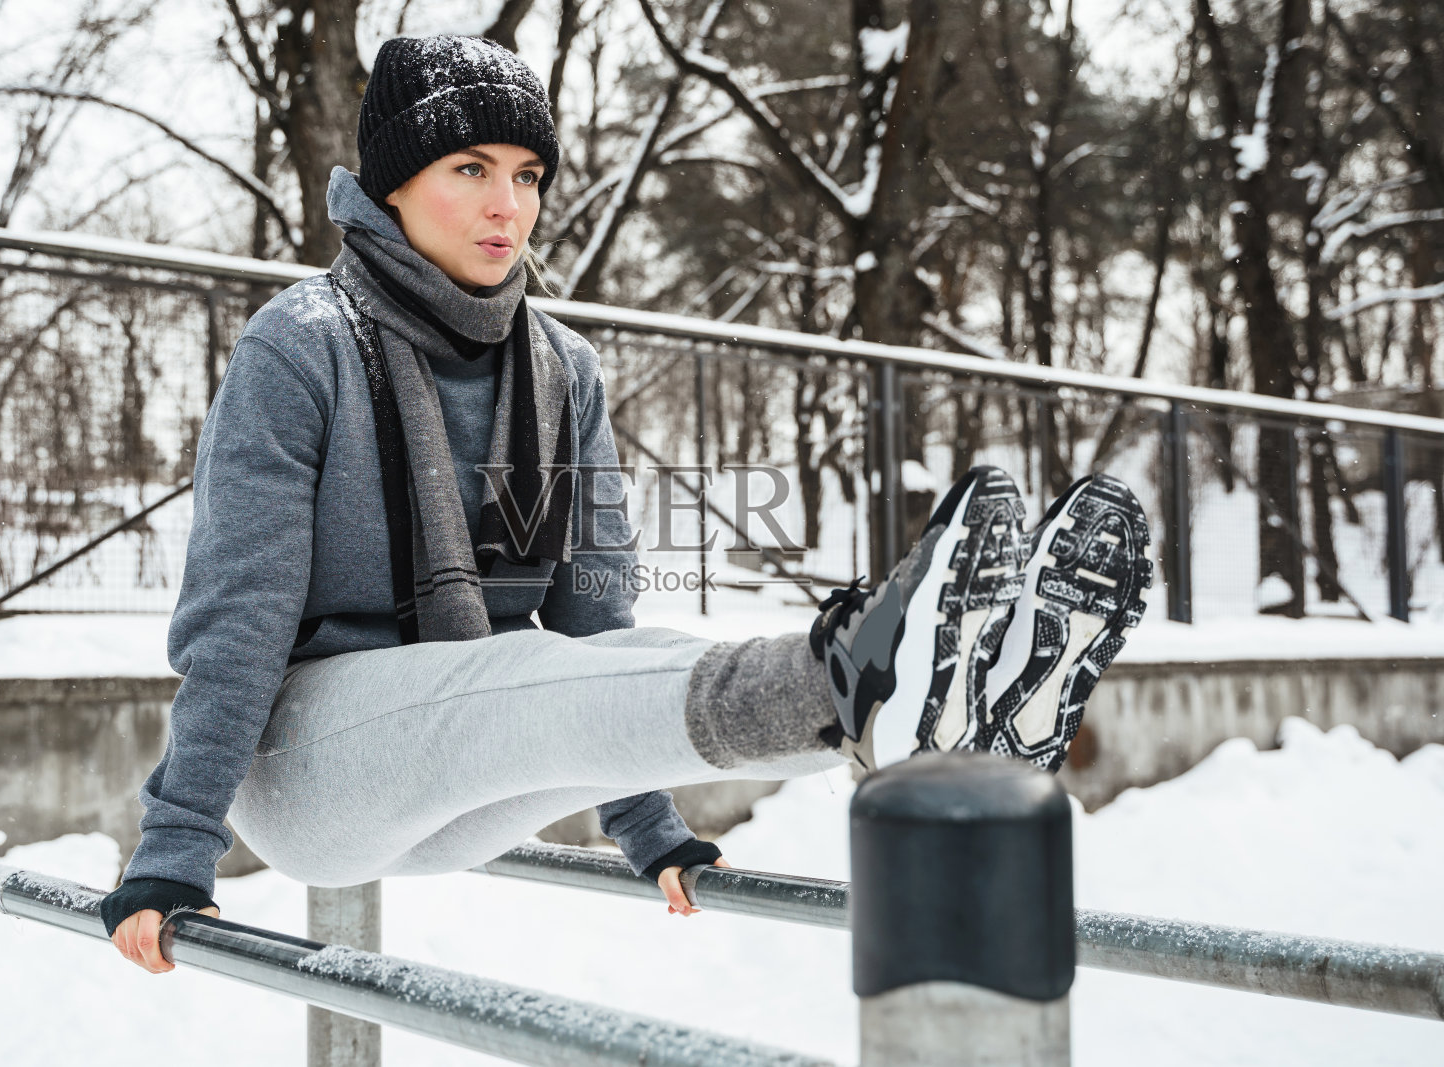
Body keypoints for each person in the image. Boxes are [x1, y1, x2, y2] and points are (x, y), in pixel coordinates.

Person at [102, 34, 1152, 975]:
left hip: (470, 781)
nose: (505, 204)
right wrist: (177, 840)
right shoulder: (303, 345)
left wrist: (650, 827)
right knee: (525, 663)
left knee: (614, 645)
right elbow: (236, 620)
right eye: (469, 169)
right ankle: (863, 671)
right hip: (304, 773)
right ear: (393, 184)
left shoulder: (561, 368)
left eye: (525, 174)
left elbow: (596, 634)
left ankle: (918, 709)